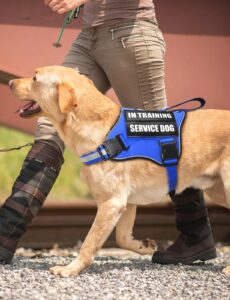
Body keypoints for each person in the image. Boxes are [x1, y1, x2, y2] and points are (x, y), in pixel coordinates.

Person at [0, 0, 216, 265]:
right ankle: (4, 236)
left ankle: (196, 236)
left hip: (130, 33)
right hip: (89, 35)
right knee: (49, 124)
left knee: (160, 136)